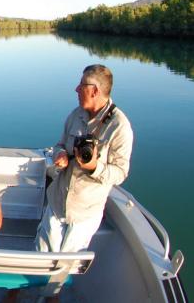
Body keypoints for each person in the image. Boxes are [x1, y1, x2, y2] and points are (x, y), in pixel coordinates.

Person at [36, 64, 134, 253]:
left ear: (94, 90)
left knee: (66, 267)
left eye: (81, 85)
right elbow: (59, 145)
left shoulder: (120, 127)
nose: (76, 89)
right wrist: (60, 154)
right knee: (42, 254)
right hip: (57, 204)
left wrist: (94, 166)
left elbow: (121, 173)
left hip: (84, 212)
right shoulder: (76, 115)